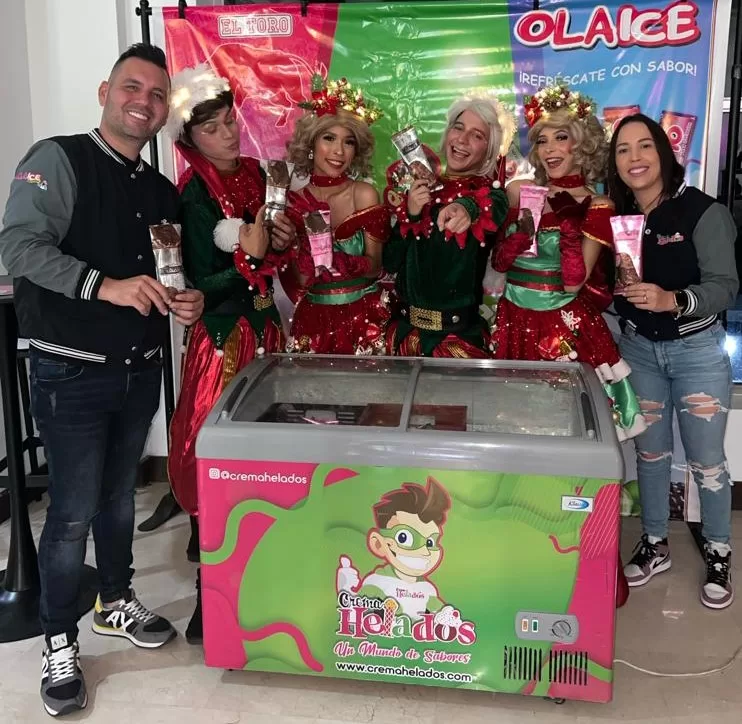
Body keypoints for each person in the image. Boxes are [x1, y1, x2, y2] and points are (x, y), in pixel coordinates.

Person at [0, 44, 204, 717]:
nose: (143, 102)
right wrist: (103, 285)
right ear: (104, 92)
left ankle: (115, 599)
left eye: (156, 95)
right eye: (131, 87)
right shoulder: (58, 159)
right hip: (70, 370)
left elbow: (168, 275)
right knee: (70, 512)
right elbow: (18, 246)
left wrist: (186, 300)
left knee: (119, 499)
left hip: (138, 369)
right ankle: (59, 638)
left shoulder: (159, 190)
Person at [165, 64, 295, 645]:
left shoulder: (258, 175)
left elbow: (274, 251)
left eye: (228, 122)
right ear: (190, 138)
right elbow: (199, 281)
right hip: (223, 341)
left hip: (266, 331)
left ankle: (272, 567)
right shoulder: (194, 195)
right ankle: (210, 592)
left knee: (271, 450)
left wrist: (278, 244)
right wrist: (249, 260)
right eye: (211, 128)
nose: (226, 134)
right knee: (214, 452)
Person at [608, 114, 738, 609]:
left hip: (696, 351)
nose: (634, 158)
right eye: (623, 149)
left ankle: (719, 550)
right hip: (638, 350)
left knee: (707, 460)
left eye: (645, 146)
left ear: (665, 153)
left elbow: (725, 287)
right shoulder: (616, 217)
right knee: (650, 455)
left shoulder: (703, 212)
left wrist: (673, 300)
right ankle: (655, 542)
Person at [492, 85, 645, 444]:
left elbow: (575, 282)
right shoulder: (519, 191)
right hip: (513, 318)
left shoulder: (598, 204)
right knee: (512, 426)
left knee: (567, 429)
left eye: (561, 138)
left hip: (560, 325)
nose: (549, 149)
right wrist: (518, 237)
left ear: (583, 144)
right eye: (542, 140)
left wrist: (568, 227)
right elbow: (499, 263)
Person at [383, 92, 511, 357]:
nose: (462, 140)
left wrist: (467, 207)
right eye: (458, 127)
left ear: (489, 150)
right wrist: (411, 213)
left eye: (477, 135)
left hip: (455, 343)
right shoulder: (420, 189)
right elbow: (390, 262)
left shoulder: (492, 194)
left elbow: (492, 205)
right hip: (405, 336)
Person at [283, 75, 391, 355]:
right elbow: (301, 281)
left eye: (348, 142)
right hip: (314, 320)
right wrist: (301, 254)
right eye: (329, 138)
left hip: (363, 317)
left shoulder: (363, 194)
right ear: (311, 143)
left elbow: (376, 267)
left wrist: (345, 262)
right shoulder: (293, 202)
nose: (339, 151)